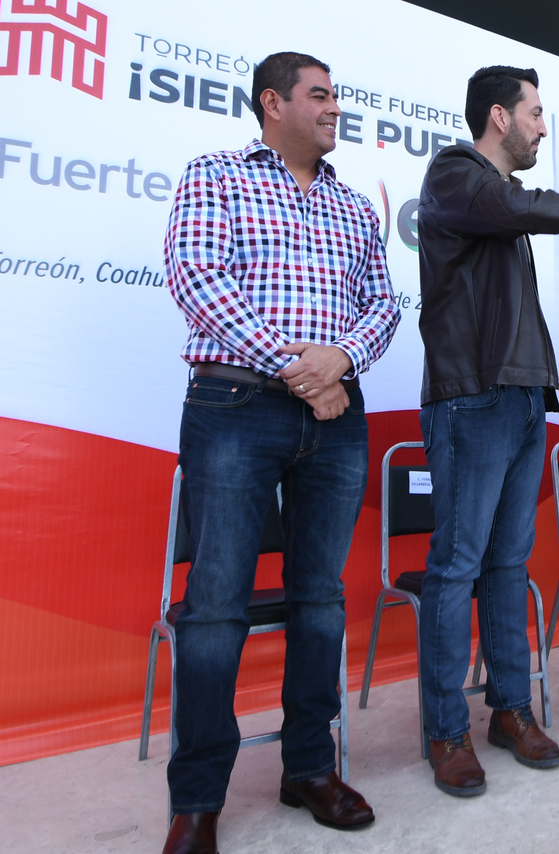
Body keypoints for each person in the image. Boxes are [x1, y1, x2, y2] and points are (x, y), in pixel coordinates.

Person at [161, 52, 400, 854]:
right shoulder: (217, 174)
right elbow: (197, 278)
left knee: (320, 599)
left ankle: (309, 769)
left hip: (336, 415)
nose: (335, 109)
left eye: (337, 96)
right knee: (215, 606)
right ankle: (198, 800)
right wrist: (299, 371)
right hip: (235, 406)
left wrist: (341, 360)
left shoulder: (353, 204)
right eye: (320, 95)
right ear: (273, 102)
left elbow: (382, 304)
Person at [414, 66, 559, 797]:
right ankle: (446, 730)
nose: (543, 126)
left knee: (507, 566)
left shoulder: (496, 201)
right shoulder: (457, 174)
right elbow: (517, 207)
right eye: (535, 113)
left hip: (523, 397)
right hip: (472, 396)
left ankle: (510, 709)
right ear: (500, 117)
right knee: (456, 567)